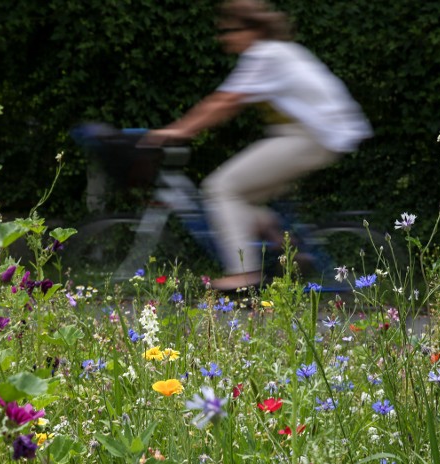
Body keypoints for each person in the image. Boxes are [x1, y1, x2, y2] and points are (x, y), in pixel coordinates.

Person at [151, 0, 372, 291]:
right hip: (313, 135)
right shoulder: (279, 52)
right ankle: (290, 249)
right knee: (242, 196)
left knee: (221, 188)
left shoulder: (265, 54)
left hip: (308, 136)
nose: (225, 38)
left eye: (231, 30)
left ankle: (245, 274)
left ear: (253, 30)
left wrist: (176, 131)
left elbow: (225, 101)